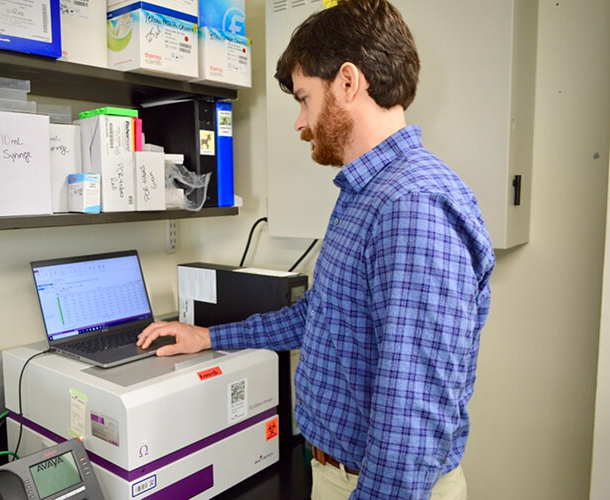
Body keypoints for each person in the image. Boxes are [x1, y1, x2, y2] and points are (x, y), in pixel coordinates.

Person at [135, 0, 493, 498]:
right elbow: (319, 318)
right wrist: (209, 336)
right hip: (335, 471)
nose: (300, 122)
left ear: (348, 82)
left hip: (375, 485)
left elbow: (412, 420)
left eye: (305, 98)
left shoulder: (410, 207)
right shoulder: (367, 194)